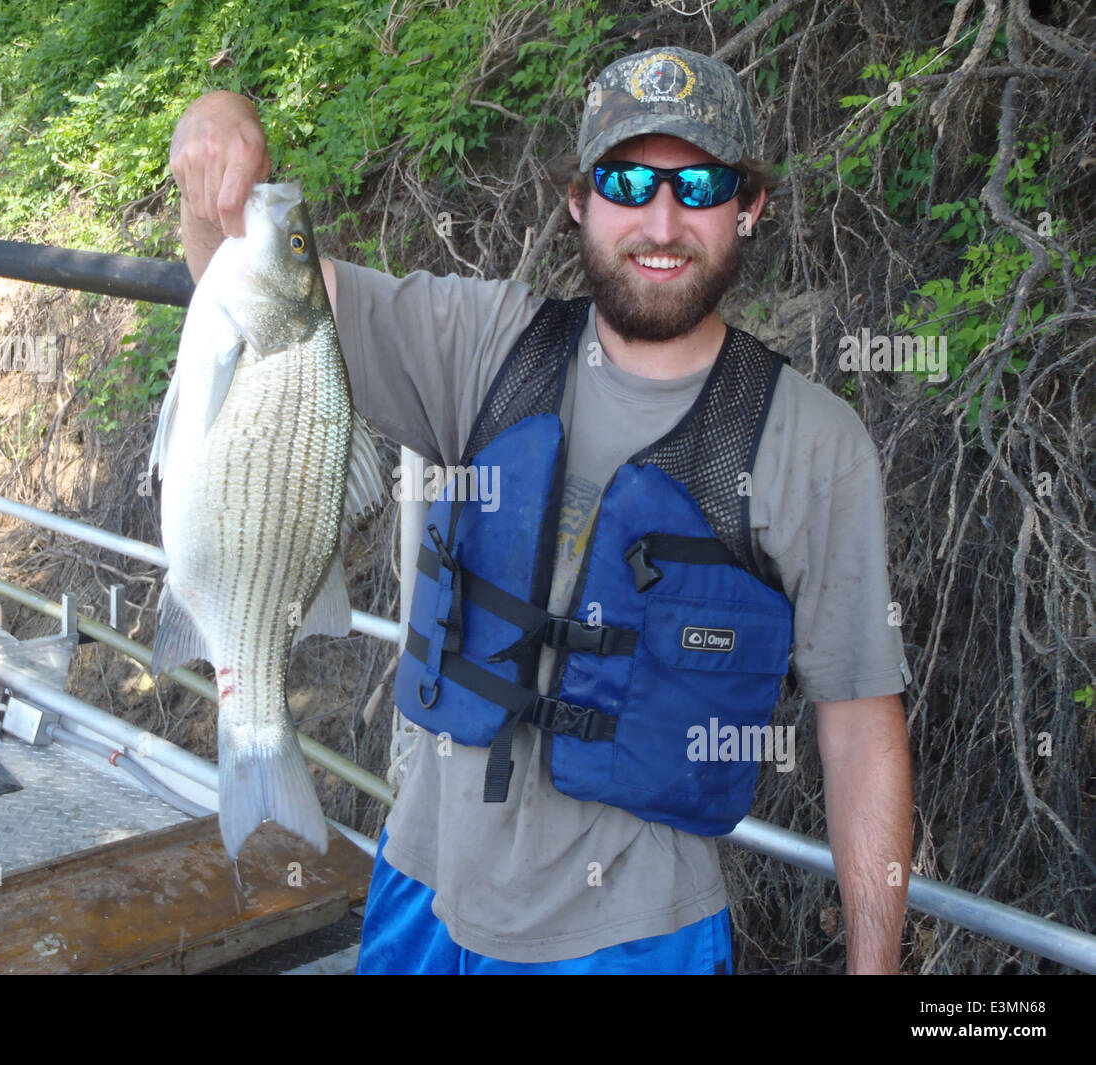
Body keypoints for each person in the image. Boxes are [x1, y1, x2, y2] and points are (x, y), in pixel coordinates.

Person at [169, 45, 913, 975]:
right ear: (578, 199)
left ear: (748, 206)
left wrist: (875, 967)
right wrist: (217, 126)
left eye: (702, 184)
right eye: (627, 179)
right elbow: (257, 298)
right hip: (423, 889)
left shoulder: (817, 445)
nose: (661, 218)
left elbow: (858, 723)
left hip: (637, 936)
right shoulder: (485, 345)